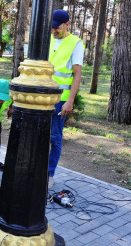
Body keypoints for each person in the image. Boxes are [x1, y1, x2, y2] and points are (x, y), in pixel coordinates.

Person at [48, 10, 84, 188]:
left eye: (57, 27)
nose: (54, 30)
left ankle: (49, 174)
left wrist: (70, 101)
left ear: (67, 24)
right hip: (41, 97)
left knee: (55, 137)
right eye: (52, 27)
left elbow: (77, 76)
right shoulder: (48, 39)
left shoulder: (75, 44)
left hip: (60, 100)